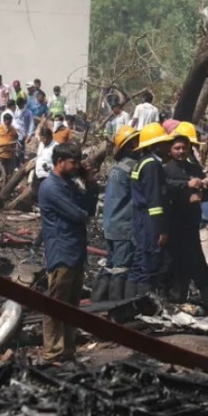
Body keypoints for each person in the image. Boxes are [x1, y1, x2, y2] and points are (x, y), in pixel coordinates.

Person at [37, 141, 99, 363]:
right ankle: (53, 351)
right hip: (61, 251)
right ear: (60, 162)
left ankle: (68, 349)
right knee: (56, 303)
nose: (77, 166)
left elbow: (89, 208)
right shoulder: (51, 188)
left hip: (75, 249)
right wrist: (84, 207)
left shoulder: (69, 184)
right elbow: (79, 214)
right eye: (73, 162)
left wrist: (89, 182)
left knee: (71, 304)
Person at [163, 123, 208, 315]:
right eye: (177, 148)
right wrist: (186, 189)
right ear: (170, 150)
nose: (181, 152)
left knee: (197, 264)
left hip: (191, 225)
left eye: (184, 148)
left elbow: (206, 195)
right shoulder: (166, 170)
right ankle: (173, 300)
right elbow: (164, 189)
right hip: (174, 226)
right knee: (173, 265)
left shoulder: (195, 168)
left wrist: (204, 191)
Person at [97, 126, 140, 303]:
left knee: (110, 264)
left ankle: (98, 301)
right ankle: (116, 306)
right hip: (124, 225)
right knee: (122, 268)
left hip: (111, 223)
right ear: (131, 146)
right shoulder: (134, 167)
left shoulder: (118, 167)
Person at [129, 122, 172, 296]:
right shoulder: (152, 165)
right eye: (164, 142)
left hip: (141, 217)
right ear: (156, 145)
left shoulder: (142, 162)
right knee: (149, 261)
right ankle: (141, 301)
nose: (168, 145)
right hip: (149, 220)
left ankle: (130, 299)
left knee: (140, 259)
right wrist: (161, 229)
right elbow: (155, 200)